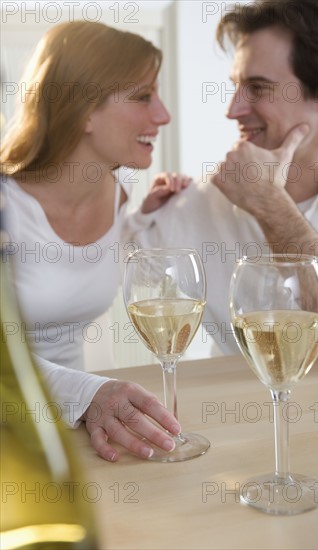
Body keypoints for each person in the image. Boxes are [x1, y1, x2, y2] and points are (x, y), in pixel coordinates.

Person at [126, 0, 318, 369]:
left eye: (257, 88)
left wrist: (269, 201)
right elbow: (103, 270)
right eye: (237, 86)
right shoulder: (206, 198)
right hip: (237, 416)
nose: (233, 109)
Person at [0, 20, 192, 462]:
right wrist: (88, 394)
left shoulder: (120, 191)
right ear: (83, 108)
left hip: (76, 430)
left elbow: (84, 260)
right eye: (144, 97)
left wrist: (144, 220)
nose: (162, 115)